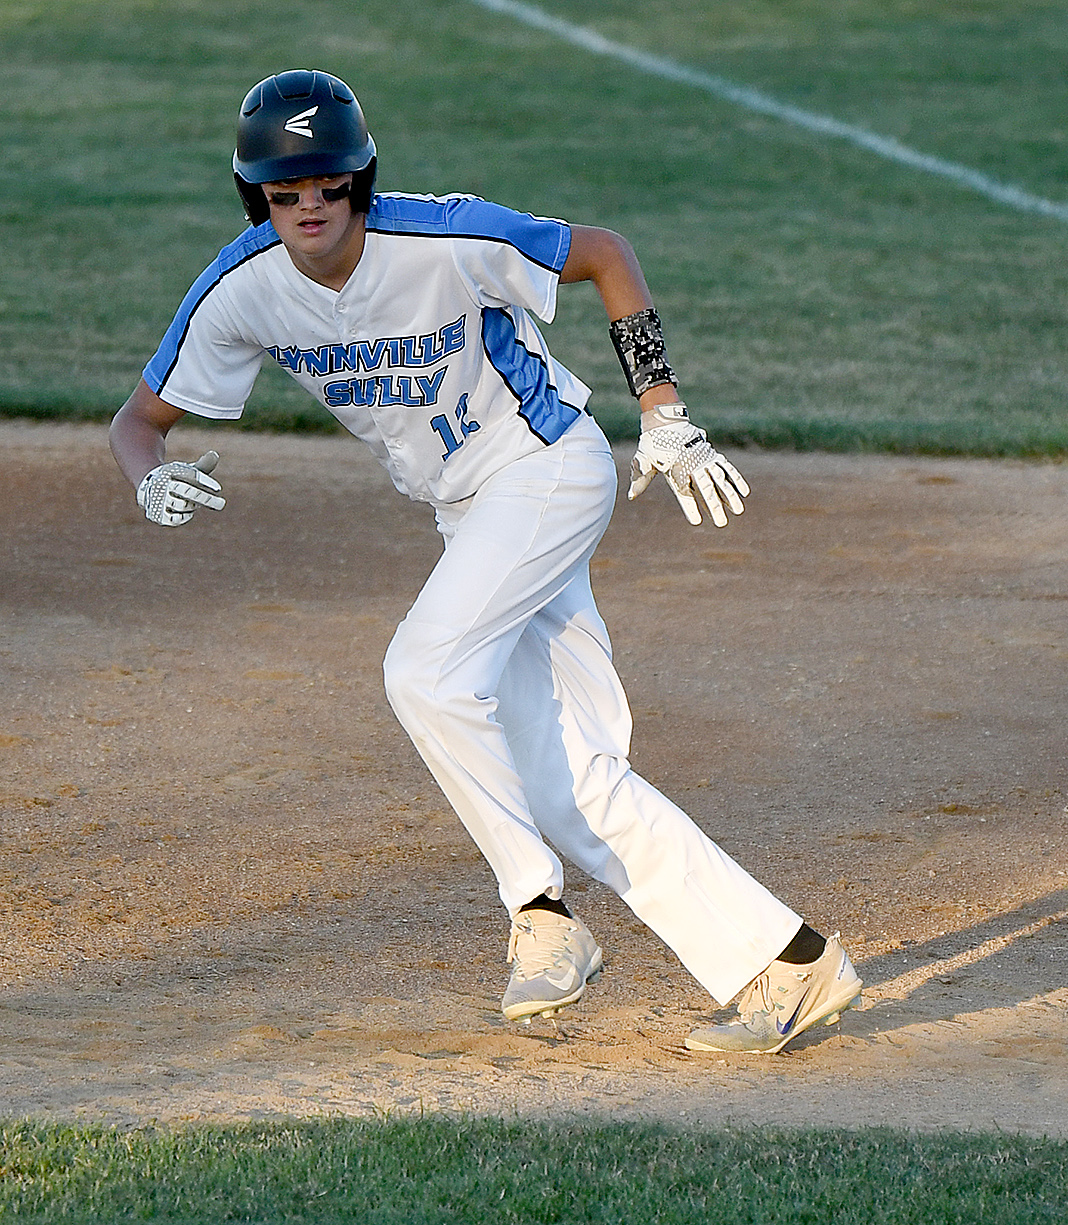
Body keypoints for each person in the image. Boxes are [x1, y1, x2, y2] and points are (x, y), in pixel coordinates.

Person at [108, 69, 861, 1055]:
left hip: (545, 470)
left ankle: (539, 912)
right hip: (470, 516)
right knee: (566, 784)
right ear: (258, 197)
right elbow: (140, 418)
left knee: (421, 671)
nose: (307, 210)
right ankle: (787, 964)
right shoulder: (242, 286)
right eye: (283, 194)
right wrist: (145, 476)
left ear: (359, 183)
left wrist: (664, 412)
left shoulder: (441, 239)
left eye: (326, 188)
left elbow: (603, 254)